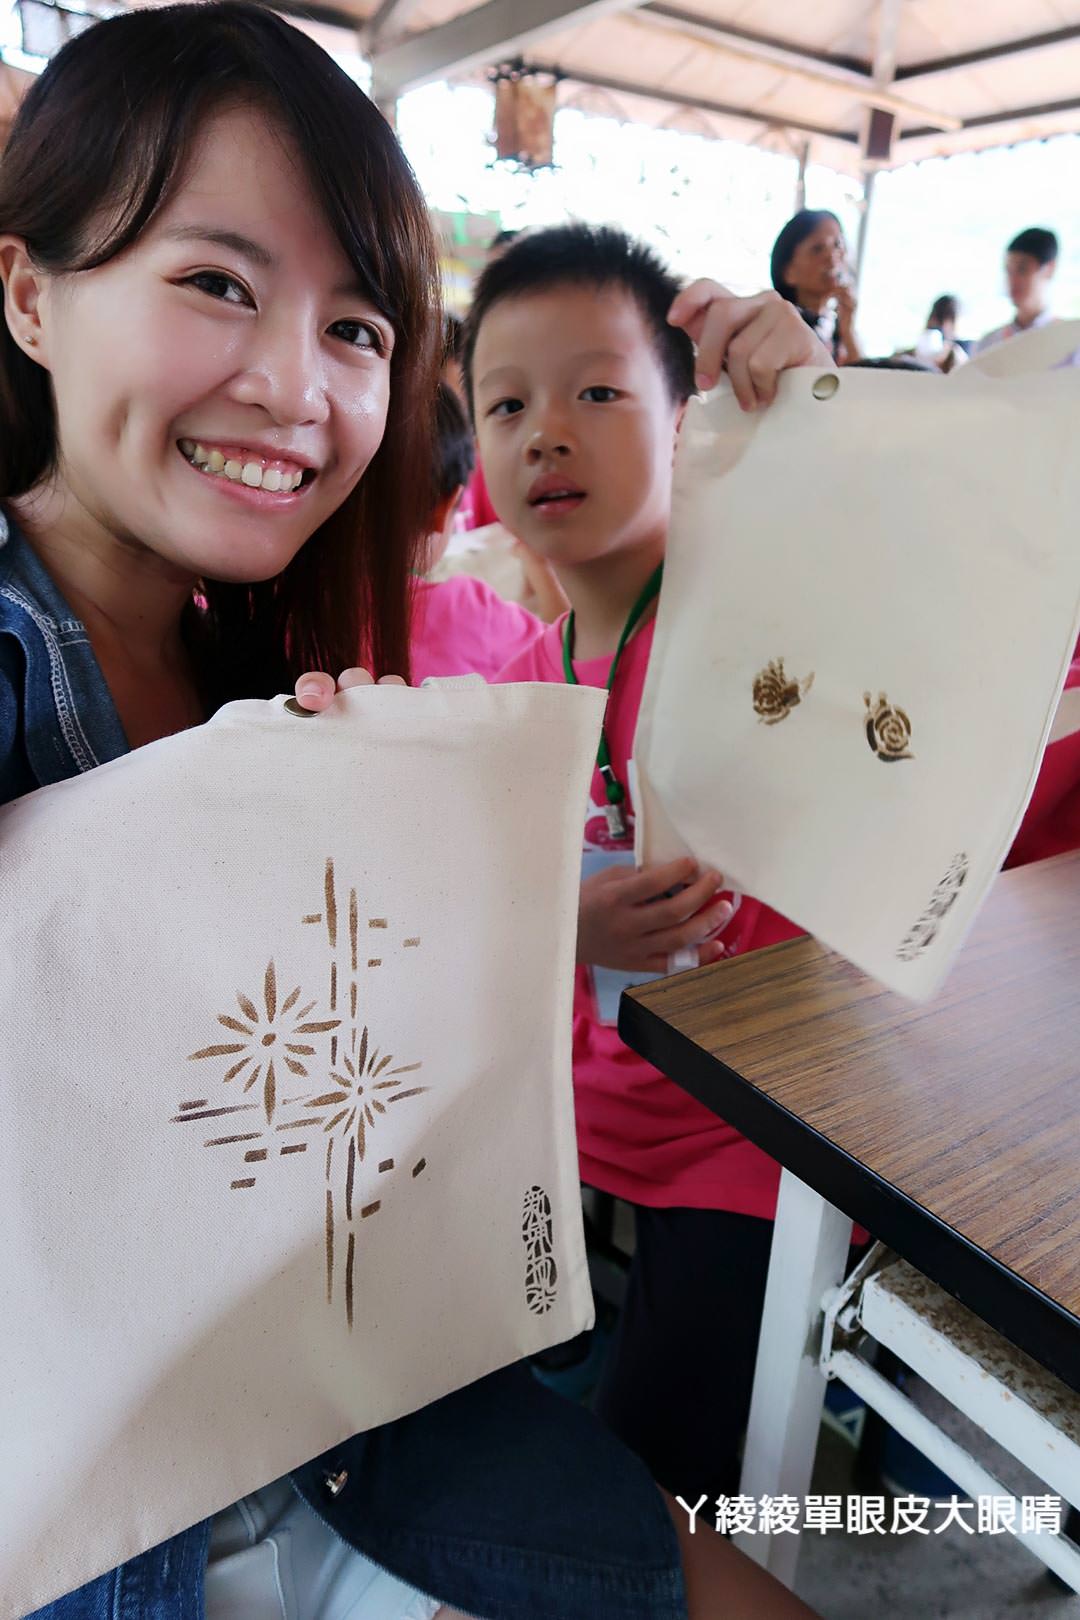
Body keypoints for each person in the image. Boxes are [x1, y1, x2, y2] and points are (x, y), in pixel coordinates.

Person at [0, 8, 819, 1618]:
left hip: (349, 1403)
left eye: (361, 328)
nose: (297, 388)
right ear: (30, 292)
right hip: (104, 1518)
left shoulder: (267, 663)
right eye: (218, 284)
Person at [455, 222, 831, 1507]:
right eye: (505, 404)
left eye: (598, 391)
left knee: (650, 1487)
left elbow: (907, 607)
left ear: (686, 419)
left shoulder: (764, 632)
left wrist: (816, 414)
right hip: (567, 1127)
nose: (546, 431)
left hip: (746, 1144)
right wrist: (558, 927)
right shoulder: (515, 689)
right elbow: (468, 916)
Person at [410, 384, 544, 682]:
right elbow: (566, 662)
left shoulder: (290, 607)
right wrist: (541, 568)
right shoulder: (468, 611)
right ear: (442, 509)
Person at [770, 208, 862, 364]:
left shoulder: (833, 328)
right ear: (788, 273)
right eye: (817, 249)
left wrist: (848, 331)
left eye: (837, 244)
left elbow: (863, 383)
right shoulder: (779, 326)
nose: (832, 256)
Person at [975, 227, 1061, 353]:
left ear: (1049, 269)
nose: (1012, 280)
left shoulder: (1070, 343)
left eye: (1022, 269)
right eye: (1008, 271)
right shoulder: (989, 344)